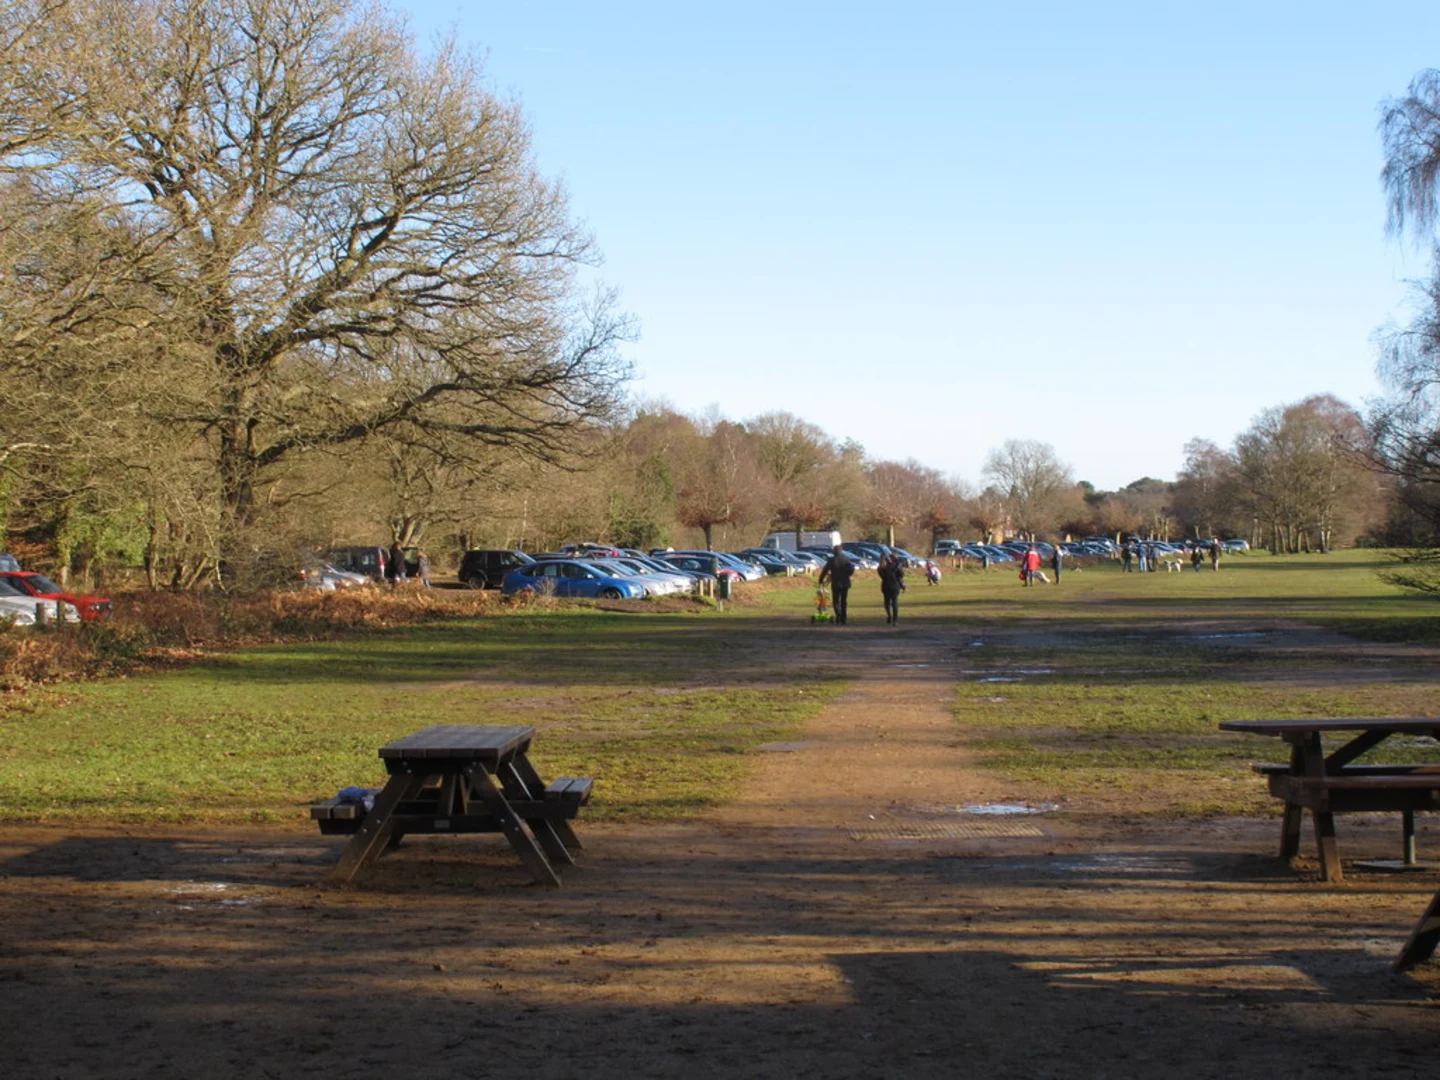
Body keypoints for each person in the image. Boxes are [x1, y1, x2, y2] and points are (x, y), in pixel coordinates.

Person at [818, 545, 855, 625]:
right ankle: (843, 618)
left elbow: (825, 570)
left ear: (834, 551)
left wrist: (821, 580)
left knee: (836, 601)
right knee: (844, 601)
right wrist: (847, 574)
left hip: (836, 583)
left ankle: (838, 615)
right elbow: (851, 570)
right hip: (845, 583)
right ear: (841, 551)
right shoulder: (846, 559)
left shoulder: (831, 560)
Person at [878, 553, 905, 625]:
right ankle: (895, 620)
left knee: (887, 602)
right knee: (895, 602)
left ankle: (889, 615)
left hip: (885, 586)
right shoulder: (894, 566)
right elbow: (902, 575)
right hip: (895, 586)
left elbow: (882, 576)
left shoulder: (880, 568)